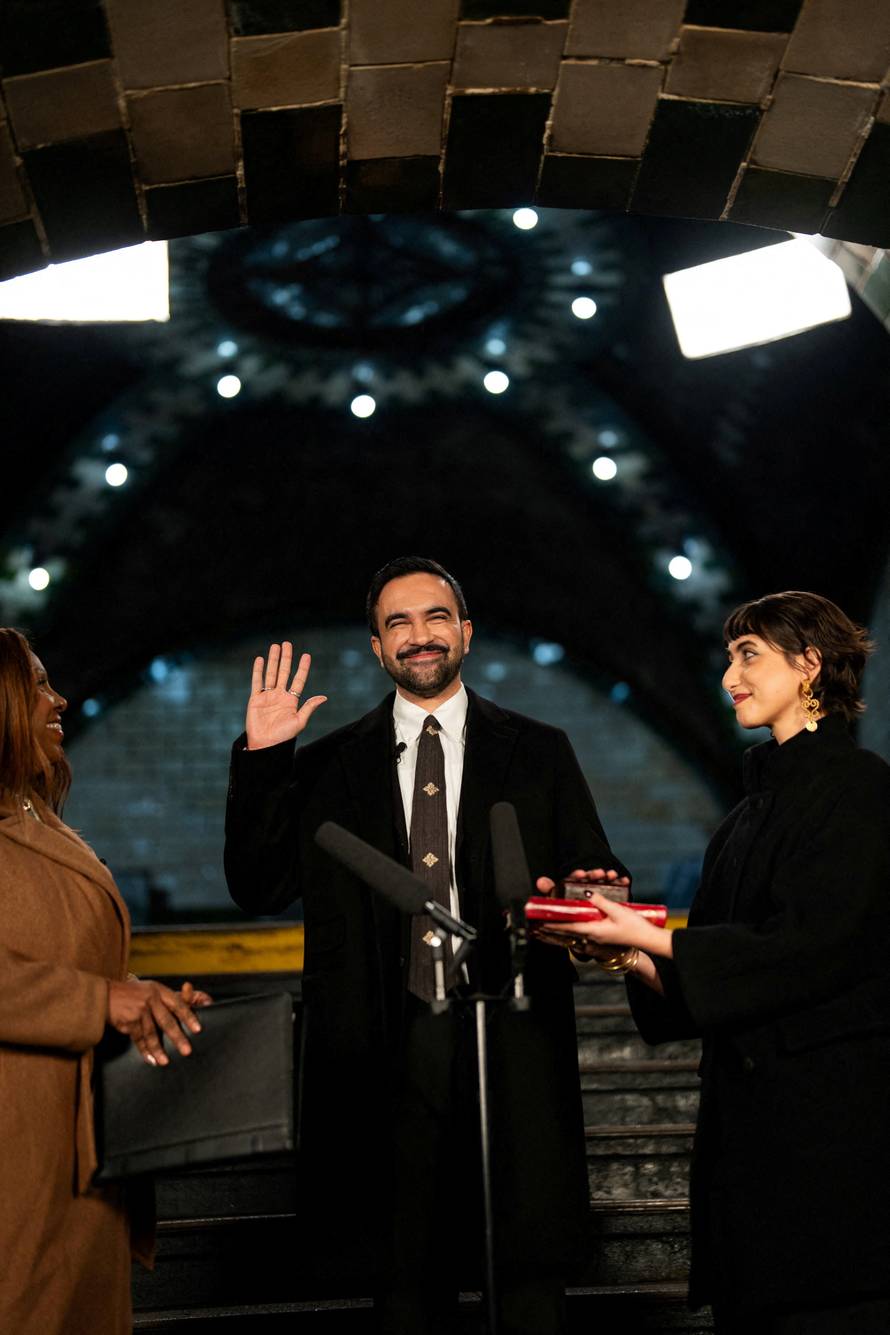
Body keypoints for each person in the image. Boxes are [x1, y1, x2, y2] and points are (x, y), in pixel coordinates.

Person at [224, 555, 629, 1335]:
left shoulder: (541, 751)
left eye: (436, 616)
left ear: (466, 633)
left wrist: (594, 898)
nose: (419, 635)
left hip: (510, 1052)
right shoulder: (327, 765)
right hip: (380, 1061)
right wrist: (265, 757)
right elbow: (258, 884)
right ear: (377, 648)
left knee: (529, 1289)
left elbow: (592, 877)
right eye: (398, 622)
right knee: (404, 1291)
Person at [545, 591, 890, 1334]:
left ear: (810, 665)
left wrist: (658, 937)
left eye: (749, 653)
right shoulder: (739, 819)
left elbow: (812, 946)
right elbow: (711, 980)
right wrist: (624, 949)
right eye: (729, 655)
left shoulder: (862, 790)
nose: (730, 672)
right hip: (748, 1155)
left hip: (832, 1147)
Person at [0, 628, 210, 1335]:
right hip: (18, 1165)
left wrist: (144, 999)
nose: (57, 699)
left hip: (83, 1157)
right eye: (35, 684)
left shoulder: (40, 820)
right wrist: (102, 999)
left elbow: (59, 952)